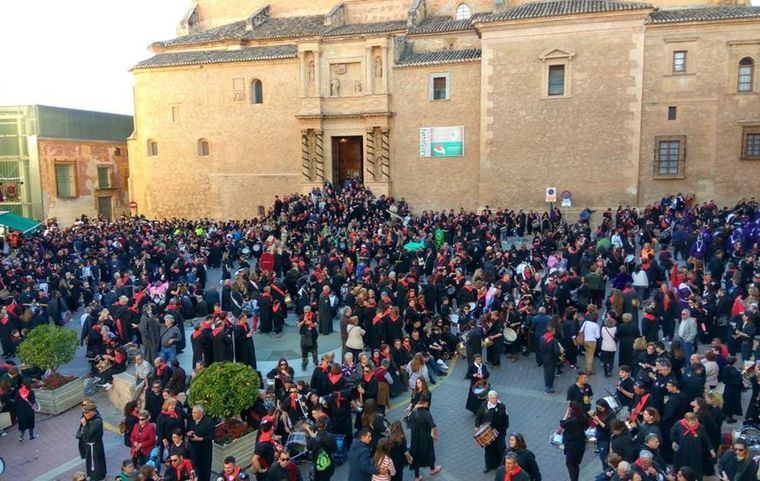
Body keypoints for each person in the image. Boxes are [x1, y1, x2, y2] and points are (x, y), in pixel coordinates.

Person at [671, 412, 715, 479]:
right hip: (682, 453)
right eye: (691, 423)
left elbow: (706, 439)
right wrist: (673, 441)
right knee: (682, 471)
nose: (693, 424)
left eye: (694, 422)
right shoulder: (678, 424)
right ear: (686, 421)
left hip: (695, 454)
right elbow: (672, 433)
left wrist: (711, 449)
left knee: (696, 471)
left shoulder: (700, 427)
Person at [408, 394, 441, 480]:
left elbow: (408, 421)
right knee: (430, 452)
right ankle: (432, 469)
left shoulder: (413, 412)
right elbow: (432, 426)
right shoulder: (427, 414)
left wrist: (415, 407)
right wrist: (434, 436)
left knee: (416, 456)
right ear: (426, 403)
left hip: (415, 437)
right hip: (425, 437)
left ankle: (417, 476)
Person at [475, 390, 509, 473]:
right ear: (489, 398)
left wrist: (503, 431)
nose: (496, 399)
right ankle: (488, 466)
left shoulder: (502, 406)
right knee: (488, 450)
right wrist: (477, 425)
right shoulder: (484, 405)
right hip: (488, 434)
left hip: (499, 433)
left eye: (497, 397)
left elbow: (506, 420)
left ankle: (502, 467)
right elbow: (479, 415)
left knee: (501, 450)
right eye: (494, 398)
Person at [77, 400, 107, 481]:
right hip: (90, 445)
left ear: (92, 412)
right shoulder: (90, 417)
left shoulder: (97, 421)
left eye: (86, 413)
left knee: (96, 463)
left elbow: (88, 434)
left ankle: (98, 477)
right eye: (84, 413)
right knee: (91, 462)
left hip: (95, 446)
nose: (84, 415)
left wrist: (84, 424)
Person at [187, 404, 215, 481]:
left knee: (204, 469)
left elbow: (212, 436)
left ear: (201, 413)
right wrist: (188, 433)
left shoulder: (208, 422)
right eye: (193, 412)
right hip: (193, 449)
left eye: (195, 413)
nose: (193, 414)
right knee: (194, 468)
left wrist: (200, 439)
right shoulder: (191, 421)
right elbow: (187, 430)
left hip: (204, 450)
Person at [560, 401, 586, 481]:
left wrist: (567, 412)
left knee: (570, 465)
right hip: (580, 445)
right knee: (576, 464)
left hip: (572, 446)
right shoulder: (582, 417)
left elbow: (562, 423)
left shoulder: (572, 421)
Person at [305, 416, 337, 481]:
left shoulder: (312, 439)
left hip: (317, 466)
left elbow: (308, 448)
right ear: (325, 425)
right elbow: (334, 450)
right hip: (328, 464)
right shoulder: (331, 437)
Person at [538, 326, 561, 394]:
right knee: (550, 374)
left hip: (544, 357)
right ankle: (548, 388)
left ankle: (548, 387)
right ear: (552, 332)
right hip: (551, 359)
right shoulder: (553, 340)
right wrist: (560, 352)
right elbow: (556, 352)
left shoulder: (542, 338)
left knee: (546, 372)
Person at [16, 378, 37, 442]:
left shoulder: (18, 391)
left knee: (22, 423)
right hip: (28, 409)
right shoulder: (31, 392)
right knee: (30, 422)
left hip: (20, 409)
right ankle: (31, 436)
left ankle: (21, 437)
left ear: (22, 384)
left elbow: (16, 401)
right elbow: (33, 401)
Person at [298, 306, 319, 371]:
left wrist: (310, 323)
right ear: (304, 311)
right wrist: (303, 321)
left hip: (312, 337)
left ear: (310, 311)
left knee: (314, 353)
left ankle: (316, 363)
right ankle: (304, 365)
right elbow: (298, 325)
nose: (307, 313)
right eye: (305, 312)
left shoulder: (313, 316)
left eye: (308, 312)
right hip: (304, 338)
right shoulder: (302, 316)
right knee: (304, 354)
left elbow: (315, 325)